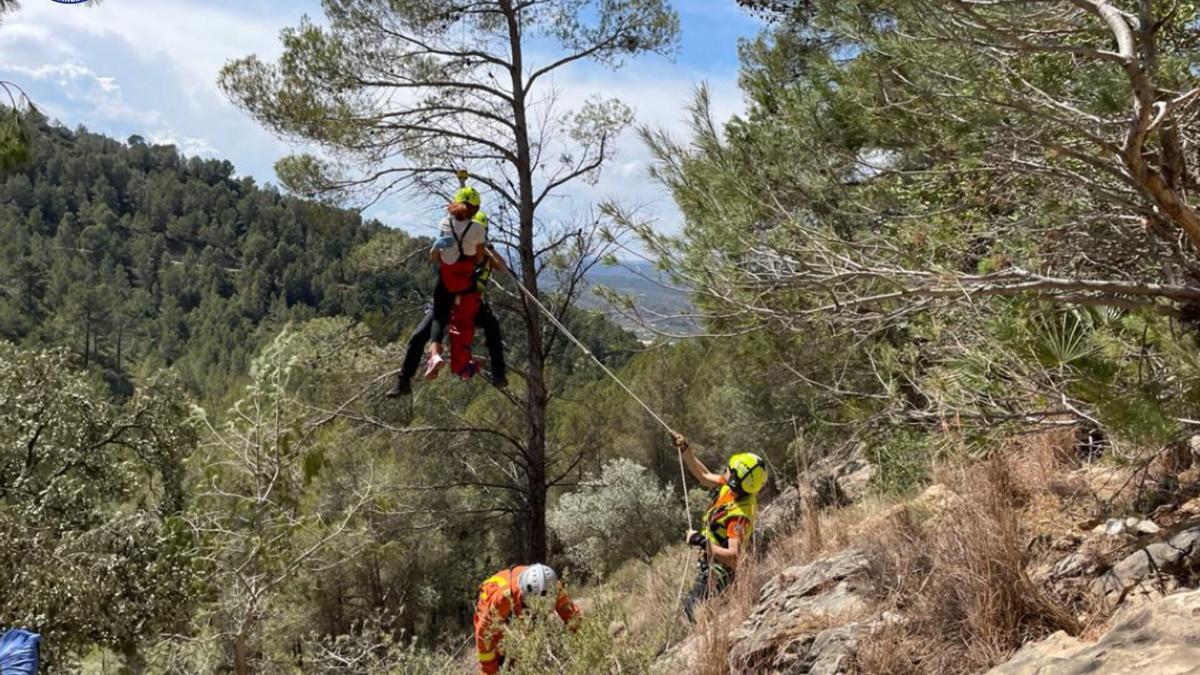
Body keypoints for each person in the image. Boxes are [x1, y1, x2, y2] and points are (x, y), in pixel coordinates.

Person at [387, 189, 508, 397]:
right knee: (417, 337)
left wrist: (490, 248)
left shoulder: (481, 250)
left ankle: (499, 374)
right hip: (450, 301)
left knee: (492, 326)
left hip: (469, 303)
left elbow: (502, 267)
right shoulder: (465, 243)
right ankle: (403, 381)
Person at [672, 432, 766, 622]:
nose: (726, 470)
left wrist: (700, 541)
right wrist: (685, 450)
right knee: (695, 606)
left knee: (694, 607)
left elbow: (733, 558)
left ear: (736, 480)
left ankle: (714, 642)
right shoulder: (735, 488)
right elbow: (704, 476)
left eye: (730, 469)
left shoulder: (739, 517)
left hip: (720, 572)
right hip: (711, 563)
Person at [474, 563, 580, 675]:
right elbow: (484, 636)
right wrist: (490, 672)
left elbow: (574, 618)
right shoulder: (502, 599)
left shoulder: (553, 588)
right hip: (490, 599)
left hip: (518, 607)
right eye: (533, 606)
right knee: (503, 654)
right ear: (524, 595)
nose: (538, 611)